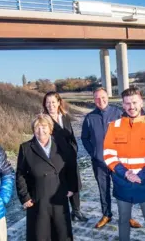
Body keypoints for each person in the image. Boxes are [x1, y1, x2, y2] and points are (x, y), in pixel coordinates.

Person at [103, 87, 145, 241]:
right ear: (122, 105)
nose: (131, 107)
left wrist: (141, 175)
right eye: (127, 103)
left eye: (135, 102)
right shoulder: (113, 126)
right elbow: (109, 155)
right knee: (123, 220)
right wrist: (126, 174)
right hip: (123, 182)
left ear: (141, 102)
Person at [81, 87, 143, 229]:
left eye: (103, 97)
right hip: (99, 162)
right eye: (97, 98)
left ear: (107, 97)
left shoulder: (118, 113)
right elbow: (85, 138)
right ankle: (106, 215)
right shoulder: (90, 118)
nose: (100, 101)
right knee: (103, 189)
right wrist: (94, 153)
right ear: (93, 100)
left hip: (118, 162)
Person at [15, 114, 78, 241]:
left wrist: (72, 187)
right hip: (38, 198)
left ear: (50, 128)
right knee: (40, 235)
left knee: (61, 233)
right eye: (37, 127)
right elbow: (20, 174)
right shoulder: (26, 148)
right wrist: (25, 197)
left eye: (44, 127)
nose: (41, 130)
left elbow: (71, 167)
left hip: (59, 196)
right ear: (33, 130)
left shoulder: (62, 145)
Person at [43, 91, 88, 221]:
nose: (50, 105)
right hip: (55, 159)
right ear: (45, 104)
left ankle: (76, 211)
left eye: (53, 102)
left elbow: (72, 136)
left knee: (74, 183)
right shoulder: (44, 119)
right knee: (60, 185)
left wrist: (74, 150)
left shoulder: (65, 117)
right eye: (48, 102)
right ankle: (62, 214)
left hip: (70, 157)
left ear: (58, 103)